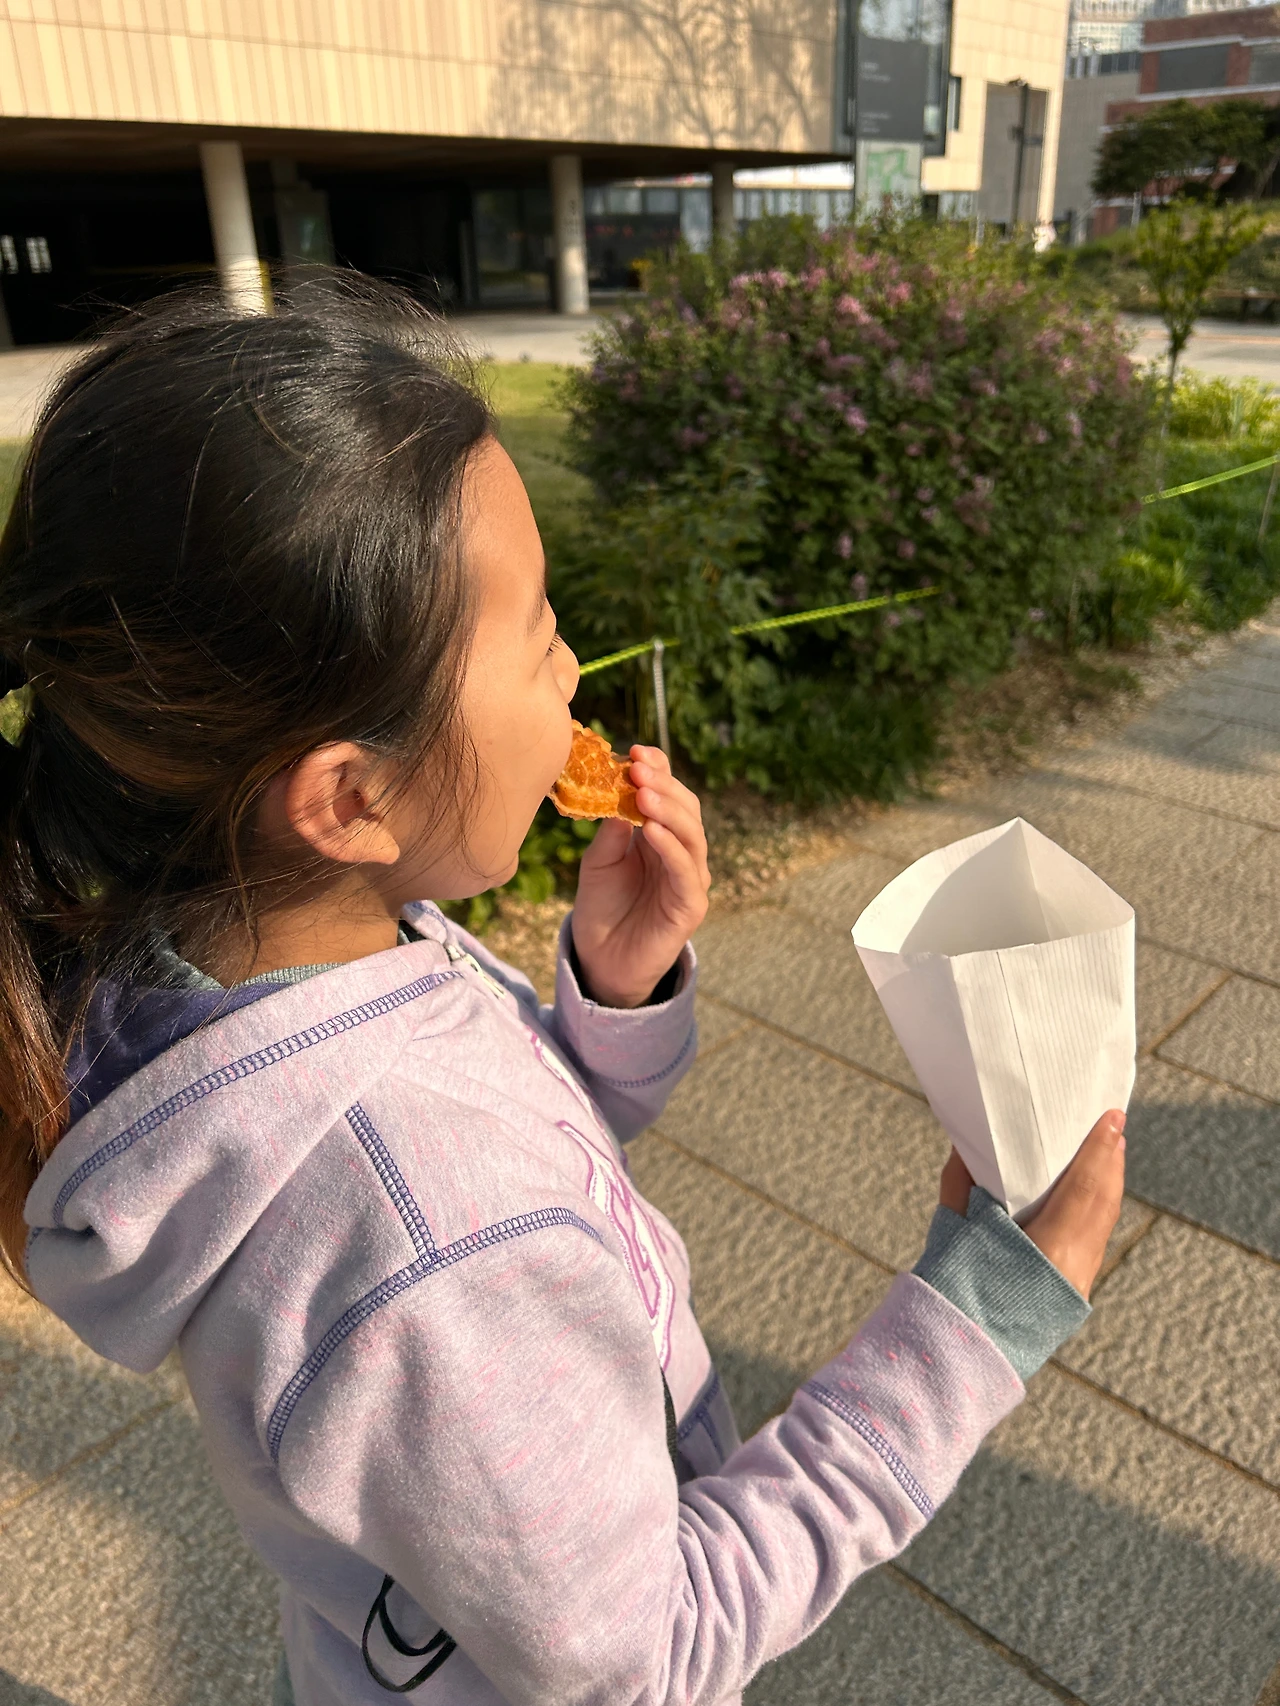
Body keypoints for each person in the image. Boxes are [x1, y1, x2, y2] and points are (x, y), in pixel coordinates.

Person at [0, 277, 1125, 1706]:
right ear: (349, 797)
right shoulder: (426, 1241)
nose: (573, 666)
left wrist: (611, 988)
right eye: (535, 635)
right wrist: (975, 1323)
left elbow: (513, 1132)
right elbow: (653, 1650)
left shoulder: (271, 968)